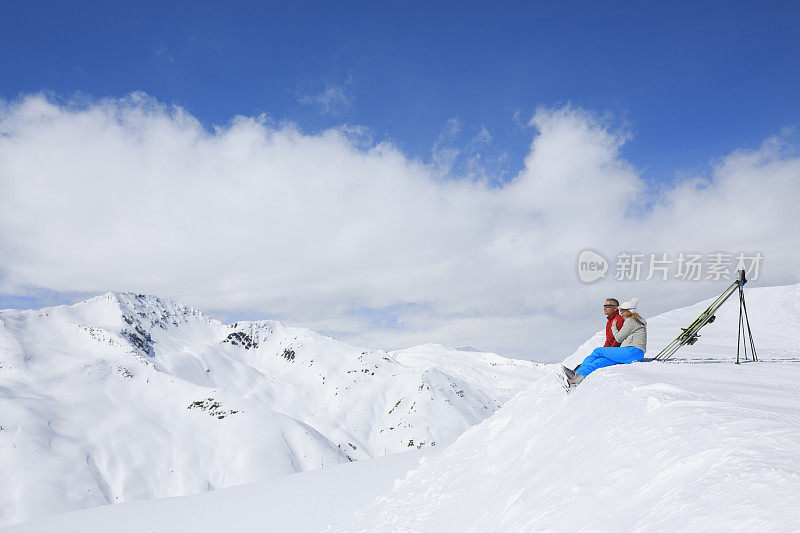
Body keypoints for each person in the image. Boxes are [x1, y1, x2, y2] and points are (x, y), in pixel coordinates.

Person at [563, 298, 647, 389]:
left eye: (623, 310)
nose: (621, 312)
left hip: (632, 351)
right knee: (600, 361)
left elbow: (618, 339)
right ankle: (575, 381)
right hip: (631, 353)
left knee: (598, 351)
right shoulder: (628, 320)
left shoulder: (630, 320)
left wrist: (614, 327)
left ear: (630, 311)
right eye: (620, 310)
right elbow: (610, 340)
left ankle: (577, 372)